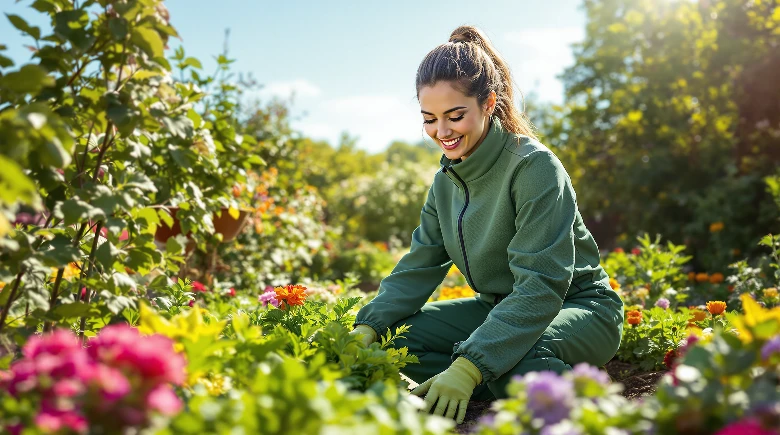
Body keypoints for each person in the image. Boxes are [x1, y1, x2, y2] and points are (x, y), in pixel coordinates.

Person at [348, 25, 624, 424]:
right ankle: (479, 379)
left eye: (455, 116)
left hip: (577, 307)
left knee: (521, 352)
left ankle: (597, 413)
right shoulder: (445, 183)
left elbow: (542, 285)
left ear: (489, 103)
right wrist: (366, 329)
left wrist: (467, 366)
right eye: (429, 119)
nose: (441, 132)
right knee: (400, 341)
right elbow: (417, 268)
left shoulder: (534, 167)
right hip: (496, 310)